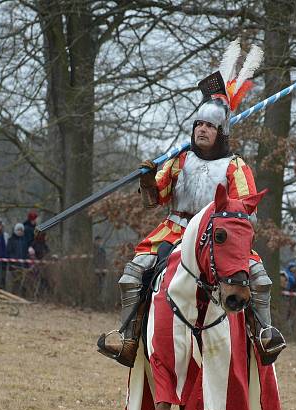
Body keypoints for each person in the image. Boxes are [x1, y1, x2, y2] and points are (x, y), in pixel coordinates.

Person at [97, 65, 284, 366]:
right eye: (198, 124)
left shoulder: (236, 166)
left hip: (219, 236)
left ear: (221, 132)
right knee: (133, 274)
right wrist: (146, 180)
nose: (202, 129)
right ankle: (128, 339)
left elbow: (249, 212)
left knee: (259, 279)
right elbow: (152, 200)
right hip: (175, 230)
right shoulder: (179, 160)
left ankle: (264, 336)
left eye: (209, 126)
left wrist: (229, 229)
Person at [6, 223, 30, 294]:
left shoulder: (25, 241)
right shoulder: (11, 240)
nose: (20, 232)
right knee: (15, 283)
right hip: (14, 266)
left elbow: (26, 253)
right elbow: (8, 252)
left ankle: (24, 295)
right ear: (15, 230)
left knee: (24, 283)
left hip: (24, 266)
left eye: (21, 230)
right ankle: (14, 295)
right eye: (18, 230)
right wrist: (12, 261)